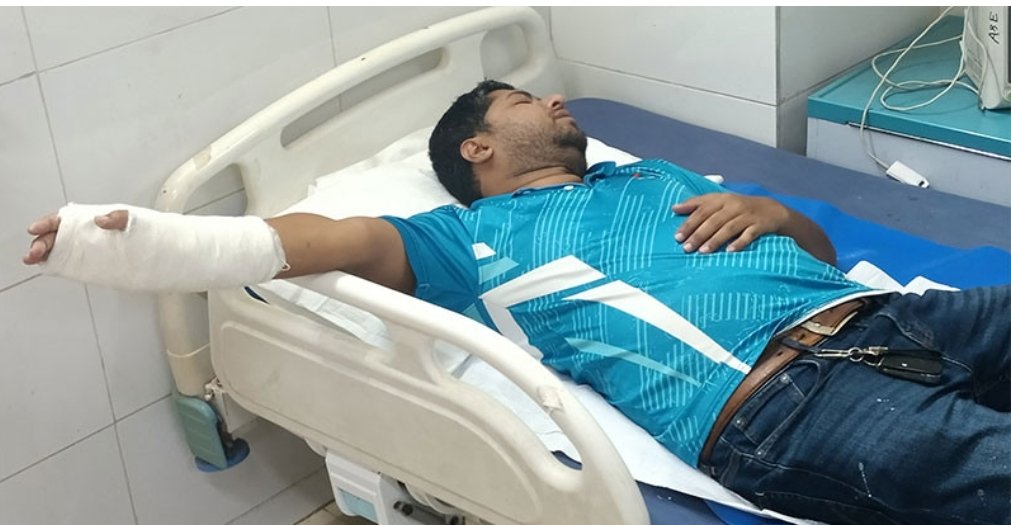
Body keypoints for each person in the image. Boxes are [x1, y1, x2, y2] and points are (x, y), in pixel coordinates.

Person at [23, 80, 1009, 525]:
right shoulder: (461, 242)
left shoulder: (647, 175)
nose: (559, 103)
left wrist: (774, 213)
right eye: (527, 100)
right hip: (784, 408)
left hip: (882, 320)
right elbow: (315, 241)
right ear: (479, 148)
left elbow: (823, 257)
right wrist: (140, 241)